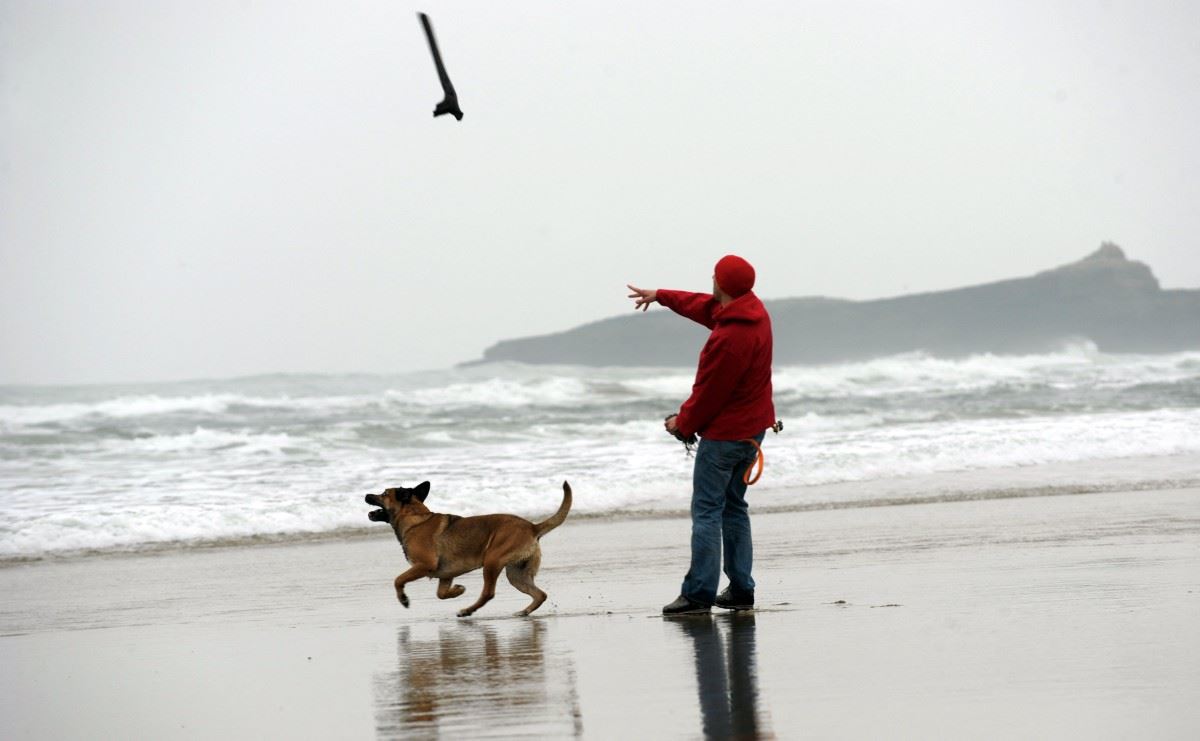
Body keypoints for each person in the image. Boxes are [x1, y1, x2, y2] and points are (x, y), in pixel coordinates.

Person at [627, 254, 775, 615]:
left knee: (707, 511)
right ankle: (741, 590)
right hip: (754, 429)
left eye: (715, 275)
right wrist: (661, 295)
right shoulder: (753, 313)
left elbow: (710, 392)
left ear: (722, 284)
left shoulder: (728, 338)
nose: (711, 279)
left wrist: (683, 424)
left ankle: (698, 594)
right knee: (734, 508)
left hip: (726, 438)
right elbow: (703, 306)